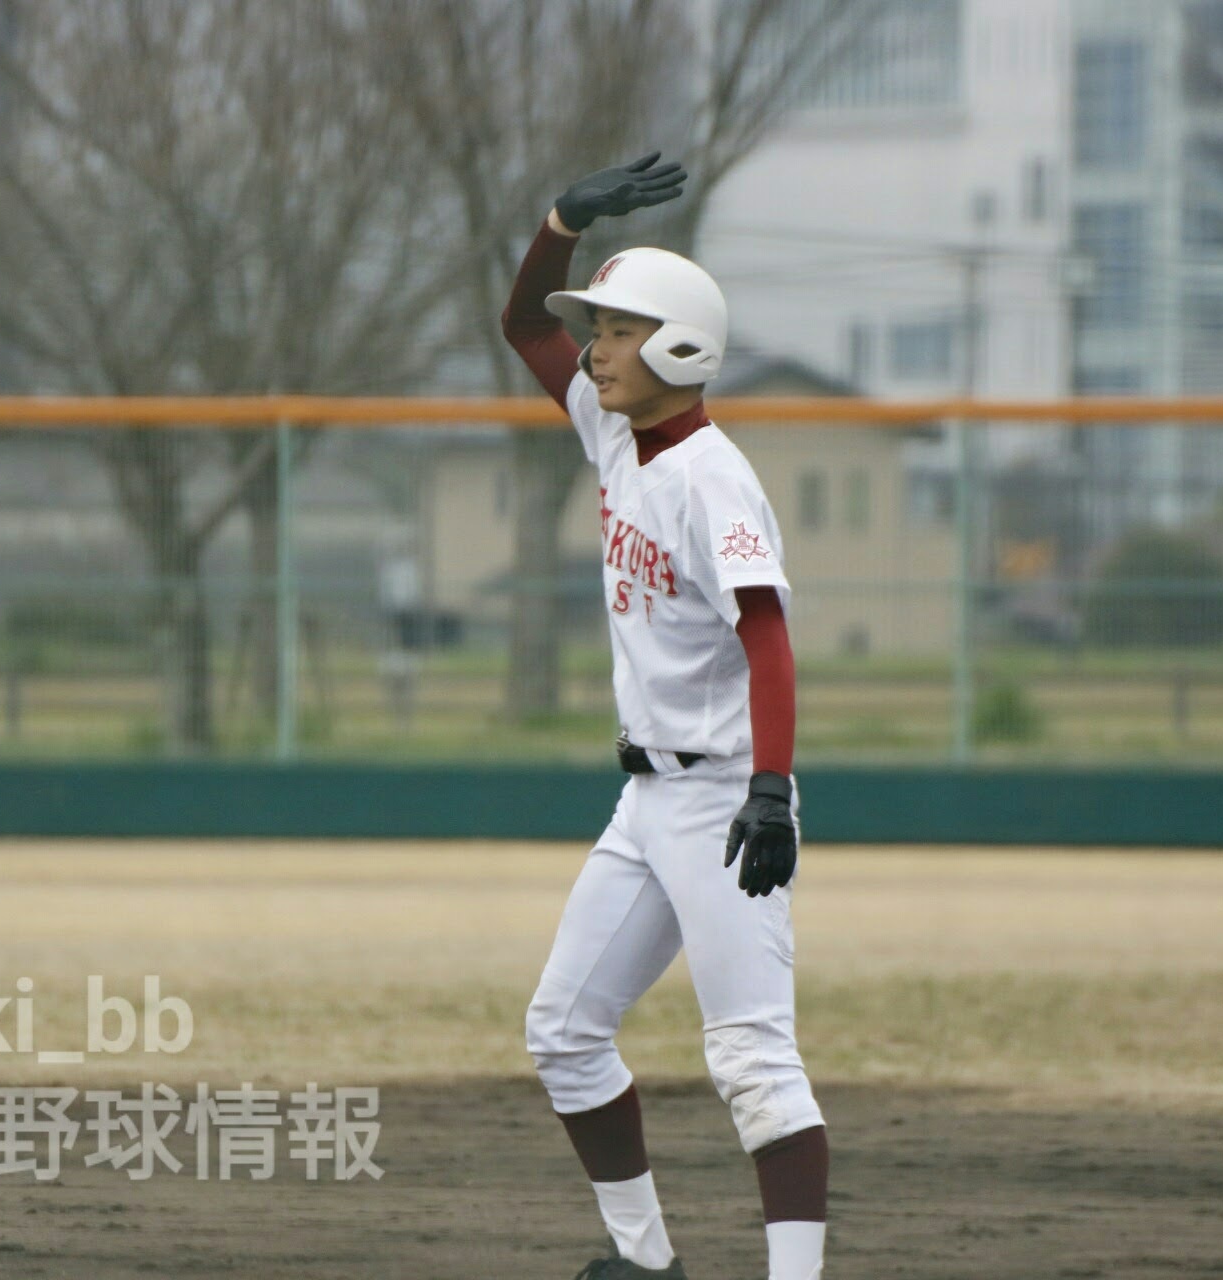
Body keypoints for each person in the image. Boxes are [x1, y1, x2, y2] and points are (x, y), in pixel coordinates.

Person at [503, 155, 827, 1280]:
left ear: (681, 345)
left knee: (752, 1057)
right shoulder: (612, 431)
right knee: (563, 1030)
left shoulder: (712, 478)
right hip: (647, 797)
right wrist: (560, 224)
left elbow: (768, 636)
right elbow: (520, 326)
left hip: (723, 796)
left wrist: (772, 786)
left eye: (619, 328)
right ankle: (648, 1264)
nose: (593, 345)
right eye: (595, 328)